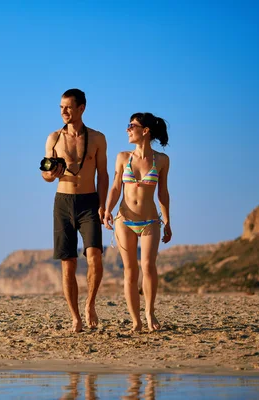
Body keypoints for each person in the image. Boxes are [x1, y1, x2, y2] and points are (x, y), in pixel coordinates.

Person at [40, 88, 109, 333]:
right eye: (61, 108)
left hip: (89, 202)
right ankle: (75, 317)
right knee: (67, 264)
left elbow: (103, 175)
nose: (64, 112)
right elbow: (45, 175)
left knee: (94, 258)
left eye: (68, 107)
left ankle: (90, 304)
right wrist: (52, 173)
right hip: (63, 202)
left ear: (81, 108)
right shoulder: (54, 138)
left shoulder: (98, 138)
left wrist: (103, 205)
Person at [103, 112, 172, 333]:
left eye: (132, 126)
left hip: (151, 220)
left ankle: (150, 313)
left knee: (149, 267)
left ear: (145, 131)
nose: (127, 129)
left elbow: (163, 193)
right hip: (125, 219)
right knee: (130, 270)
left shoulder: (161, 160)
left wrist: (168, 221)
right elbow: (115, 188)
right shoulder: (123, 157)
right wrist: (107, 210)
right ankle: (136, 320)